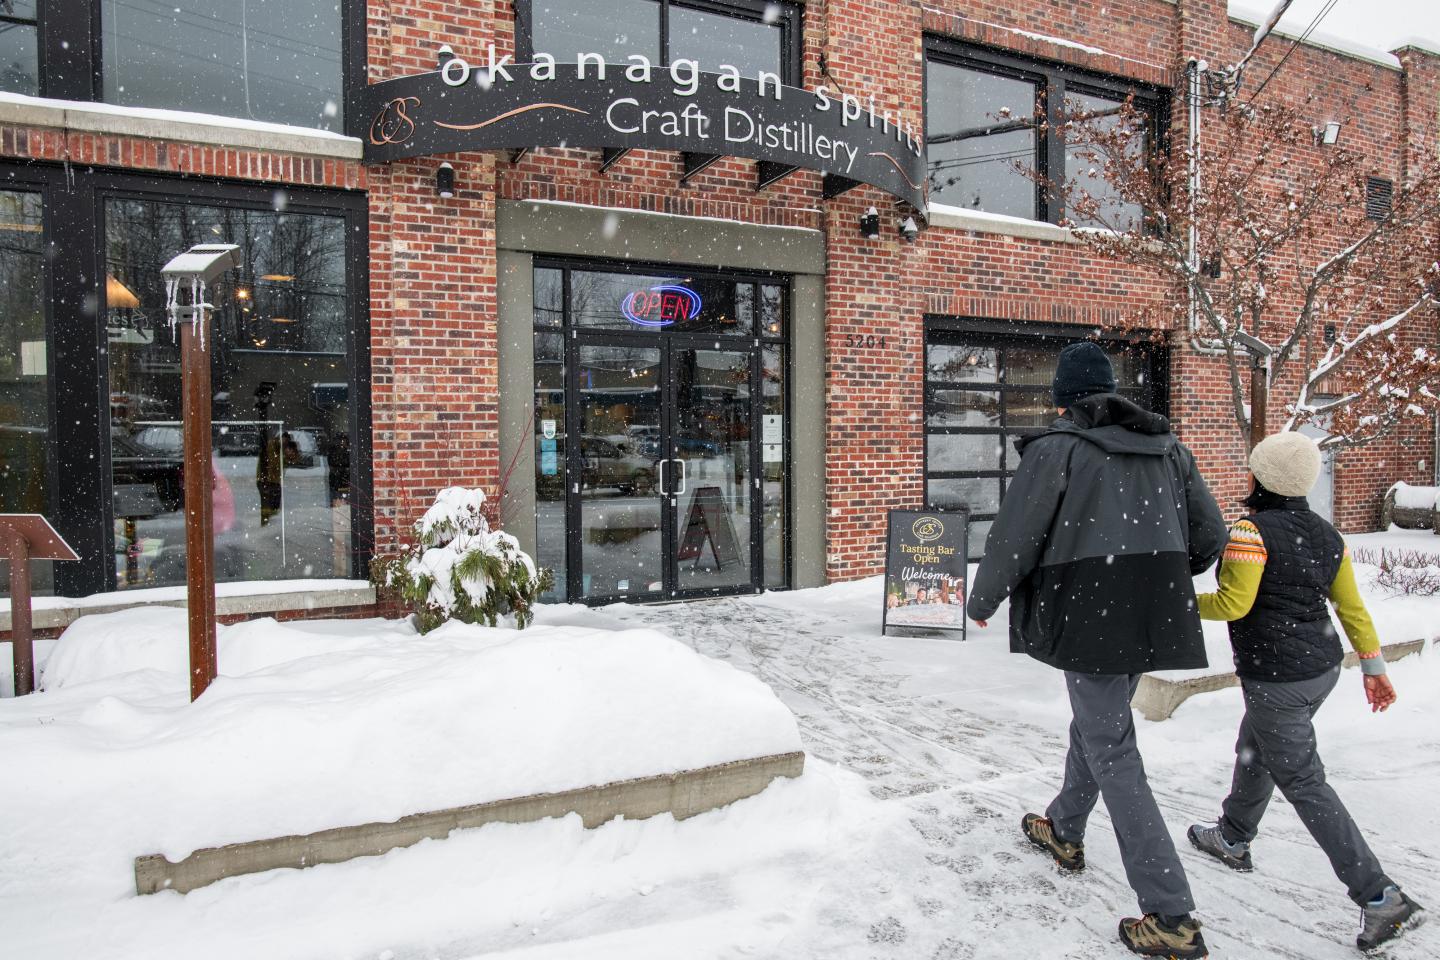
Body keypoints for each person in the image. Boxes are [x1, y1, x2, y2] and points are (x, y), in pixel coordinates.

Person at [966, 341, 1226, 959]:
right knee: (1100, 726)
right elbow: (1210, 534)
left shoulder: (1058, 449)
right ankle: (1064, 827)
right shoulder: (1168, 447)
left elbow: (1015, 536)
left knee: (1113, 747)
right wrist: (1159, 576)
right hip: (1149, 613)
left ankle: (1170, 914)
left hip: (1090, 614)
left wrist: (984, 598)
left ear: (1063, 399)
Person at [1187, 431, 1425, 953]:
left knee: (1303, 780)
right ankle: (1232, 836)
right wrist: (1373, 667)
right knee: (1256, 748)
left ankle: (1381, 896)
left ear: (1261, 478)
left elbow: (1232, 604)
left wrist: (1176, 599)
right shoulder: (1326, 535)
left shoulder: (1250, 531)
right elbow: (1351, 608)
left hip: (1277, 678)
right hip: (1320, 669)